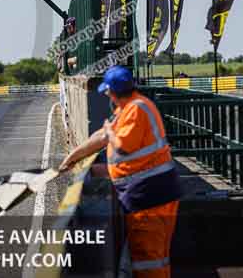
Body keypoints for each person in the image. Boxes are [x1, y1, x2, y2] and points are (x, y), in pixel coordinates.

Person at [58, 65, 181, 277]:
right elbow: (101, 137)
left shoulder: (137, 109)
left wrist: (108, 132)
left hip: (152, 197)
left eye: (107, 92)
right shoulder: (127, 109)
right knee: (148, 255)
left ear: (112, 92)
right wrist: (73, 157)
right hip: (144, 195)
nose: (107, 96)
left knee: (150, 257)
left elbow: (122, 144)